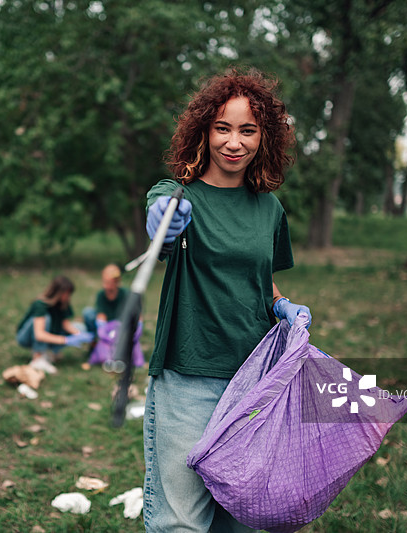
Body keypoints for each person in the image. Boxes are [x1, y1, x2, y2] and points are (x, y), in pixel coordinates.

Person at [142, 67, 312, 532]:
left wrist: (282, 306)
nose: (233, 142)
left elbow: (262, 281)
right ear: (204, 131)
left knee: (242, 519)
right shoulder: (178, 195)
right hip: (188, 378)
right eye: (222, 128)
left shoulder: (270, 207)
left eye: (247, 130)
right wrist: (164, 219)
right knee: (180, 521)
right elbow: (159, 211)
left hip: (255, 381)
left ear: (264, 138)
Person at [16, 275, 94, 375]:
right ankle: (38, 358)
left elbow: (65, 324)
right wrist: (66, 340)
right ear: (59, 292)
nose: (68, 296)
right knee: (46, 319)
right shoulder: (40, 305)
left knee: (80, 327)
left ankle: (49, 353)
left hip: (50, 332)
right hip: (26, 337)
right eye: (67, 294)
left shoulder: (63, 304)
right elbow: (39, 334)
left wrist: (80, 334)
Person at [81, 263, 130, 337]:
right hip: (107, 323)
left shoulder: (125, 294)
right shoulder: (101, 295)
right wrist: (102, 326)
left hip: (120, 323)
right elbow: (101, 315)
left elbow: (132, 313)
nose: (105, 286)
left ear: (117, 282)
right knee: (88, 313)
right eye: (104, 282)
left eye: (109, 283)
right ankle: (95, 339)